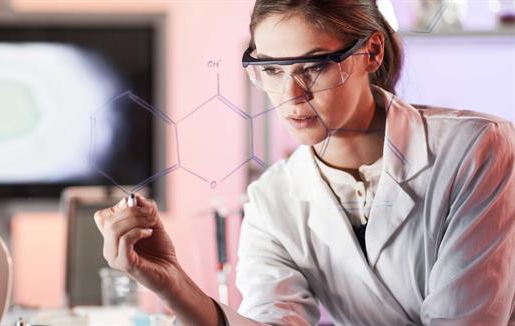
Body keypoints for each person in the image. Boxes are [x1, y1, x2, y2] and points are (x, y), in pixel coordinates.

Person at [93, 0, 515, 324]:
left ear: (371, 52)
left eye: (313, 67)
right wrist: (172, 283)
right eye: (272, 70)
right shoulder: (273, 198)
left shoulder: (476, 151)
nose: (291, 96)